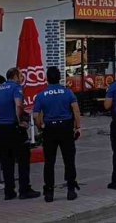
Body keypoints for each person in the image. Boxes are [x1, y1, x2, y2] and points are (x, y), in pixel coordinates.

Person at [33, 67, 82, 202]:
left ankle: (49, 193)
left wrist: (40, 126)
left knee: (49, 162)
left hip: (49, 129)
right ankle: (71, 190)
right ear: (59, 77)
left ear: (47, 78)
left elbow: (36, 115)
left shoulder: (42, 95)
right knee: (69, 160)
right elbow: (76, 111)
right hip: (66, 128)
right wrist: (78, 127)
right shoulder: (68, 93)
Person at [0, 68, 40, 200]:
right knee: (23, 159)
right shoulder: (16, 88)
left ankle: (9, 191)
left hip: (2, 128)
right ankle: (24, 189)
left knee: (7, 161)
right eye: (21, 75)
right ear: (15, 76)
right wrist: (21, 122)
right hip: (15, 128)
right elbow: (18, 105)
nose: (23, 77)